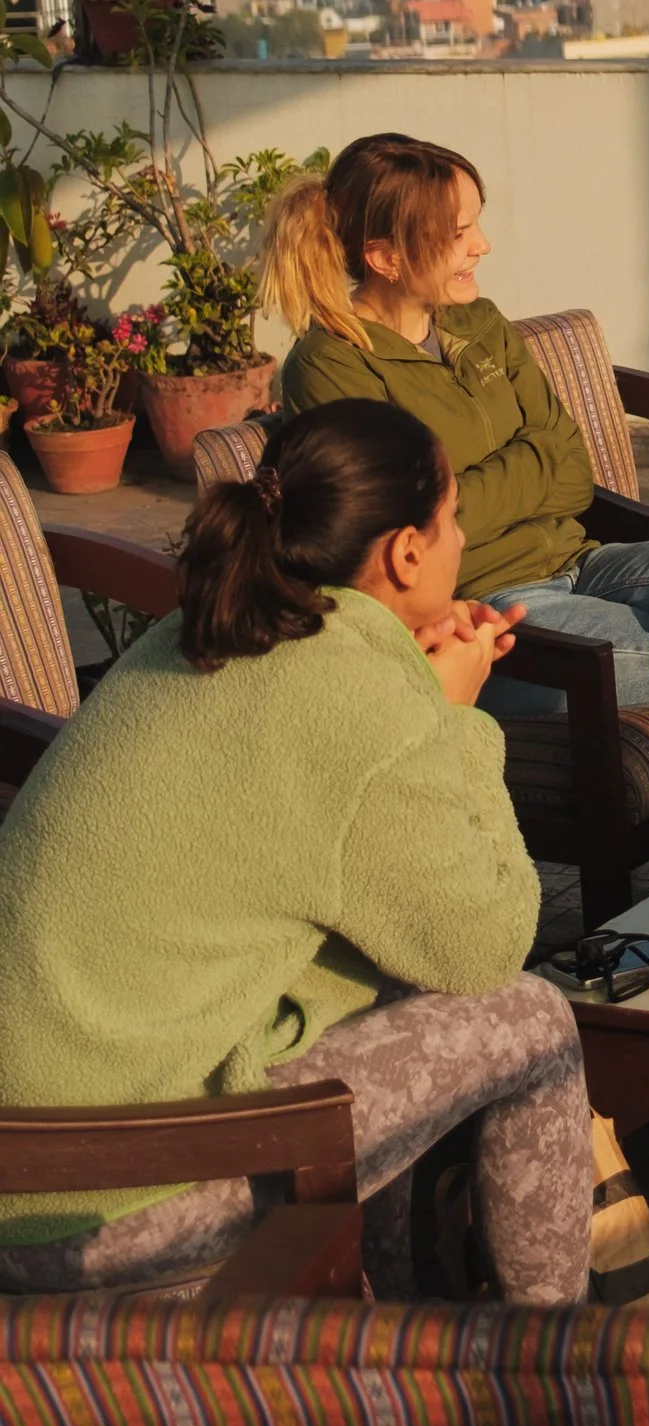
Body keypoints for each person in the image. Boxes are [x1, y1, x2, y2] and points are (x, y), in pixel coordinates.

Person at [0, 404, 594, 1301]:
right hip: (98, 1200)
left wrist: (409, 695)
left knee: (387, 977)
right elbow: (487, 944)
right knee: (533, 1022)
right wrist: (458, 721)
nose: (462, 539)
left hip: (33, 1146)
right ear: (404, 552)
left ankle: (382, 1344)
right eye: (455, 518)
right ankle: (552, 1384)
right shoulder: (361, 700)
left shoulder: (200, 625)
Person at [266, 133, 649, 736]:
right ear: (386, 258)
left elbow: (573, 471)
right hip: (484, 609)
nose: (482, 246)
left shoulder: (480, 323)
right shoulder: (331, 366)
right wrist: (529, 465)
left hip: (583, 562)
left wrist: (473, 488)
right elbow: (407, 531)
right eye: (457, 235)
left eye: (477, 225)